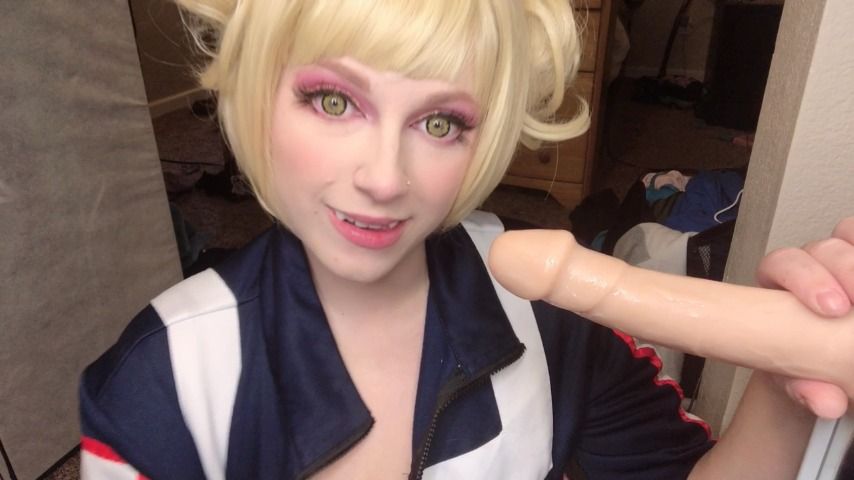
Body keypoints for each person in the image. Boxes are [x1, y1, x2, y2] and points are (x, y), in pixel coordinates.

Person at [78, 0, 854, 479]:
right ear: (257, 96)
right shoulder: (159, 382)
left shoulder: (550, 317)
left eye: (441, 122)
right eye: (335, 101)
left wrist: (785, 390)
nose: (385, 178)